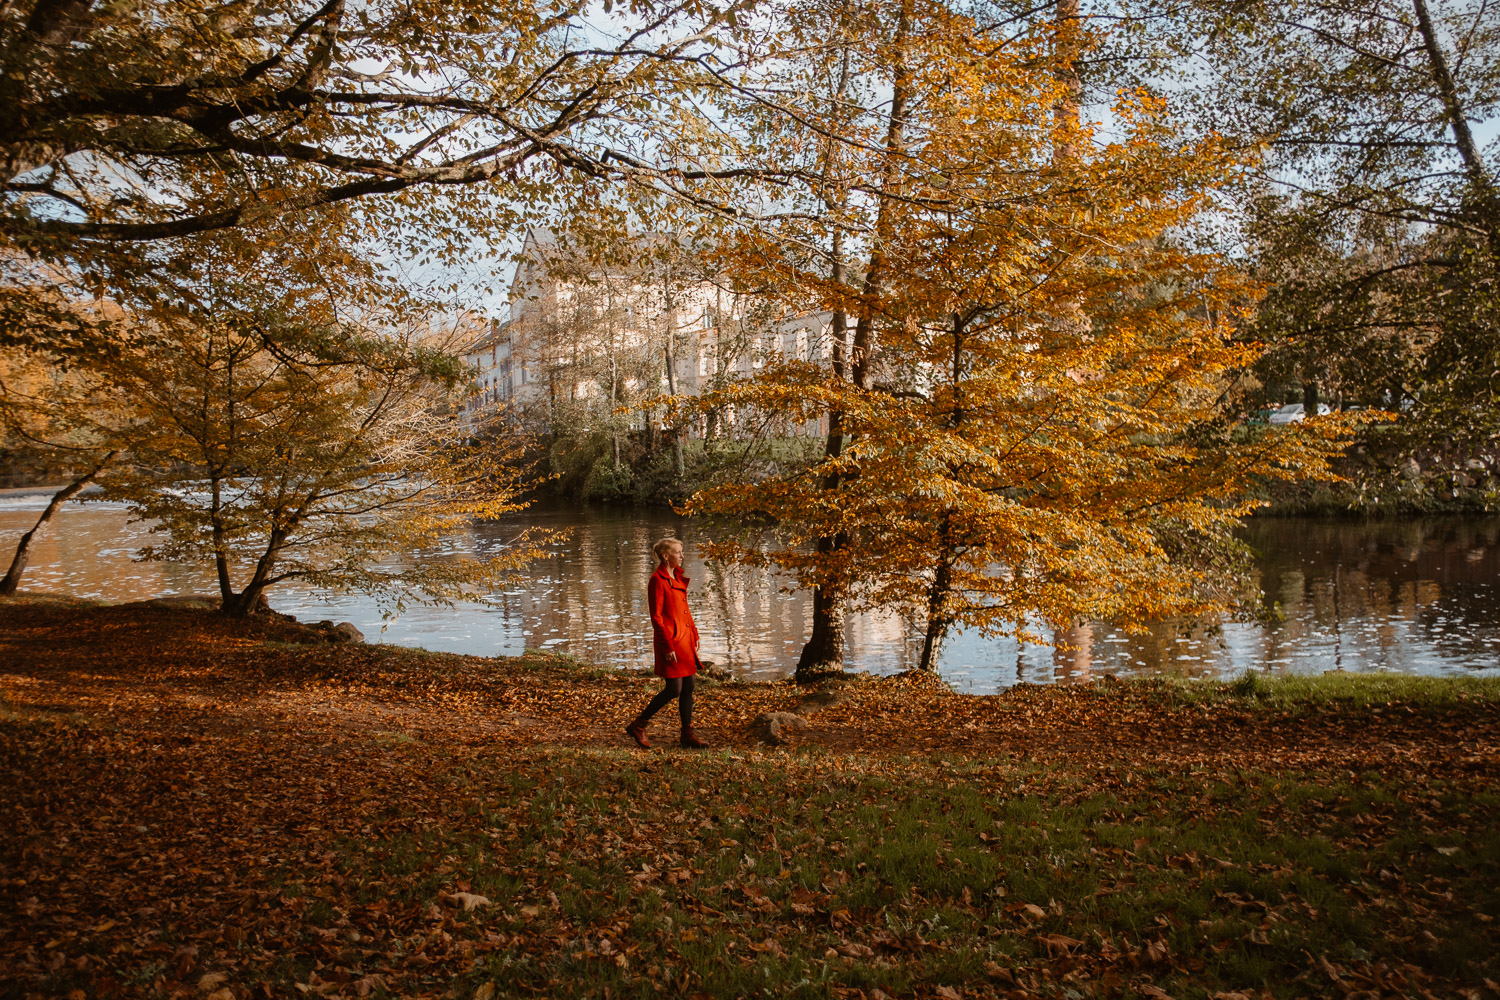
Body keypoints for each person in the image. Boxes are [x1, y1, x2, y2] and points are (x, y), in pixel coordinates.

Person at [625, 537, 708, 749]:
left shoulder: (677, 576)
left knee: (689, 685)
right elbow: (657, 617)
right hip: (671, 640)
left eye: (681, 551)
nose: (682, 555)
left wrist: (695, 633)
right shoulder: (657, 580)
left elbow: (685, 610)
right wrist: (667, 646)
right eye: (678, 552)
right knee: (674, 689)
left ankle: (687, 734)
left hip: (685, 639)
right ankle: (639, 725)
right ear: (666, 556)